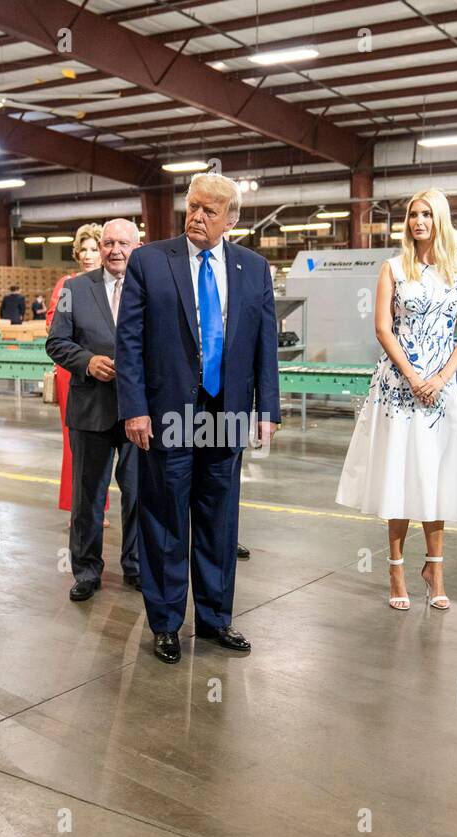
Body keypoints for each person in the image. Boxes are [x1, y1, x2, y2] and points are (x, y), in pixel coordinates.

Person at [116, 173, 280, 664]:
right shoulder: (149, 261)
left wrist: (266, 409)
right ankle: (166, 622)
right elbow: (130, 342)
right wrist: (135, 408)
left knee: (219, 519)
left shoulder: (253, 268)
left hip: (226, 412)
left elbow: (264, 345)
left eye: (210, 211)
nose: (197, 217)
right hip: (166, 412)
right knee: (165, 518)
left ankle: (214, 618)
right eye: (192, 207)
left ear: (231, 220)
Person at [335, 189, 457, 611]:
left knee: (436, 476)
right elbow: (383, 328)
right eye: (414, 215)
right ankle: (396, 569)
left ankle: (435, 568)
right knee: (400, 475)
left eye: (427, 215)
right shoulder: (394, 268)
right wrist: (415, 377)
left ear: (441, 221)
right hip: (399, 386)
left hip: (445, 388)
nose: (419, 222)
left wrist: (440, 378)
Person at [46, 218, 142, 601]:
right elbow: (56, 343)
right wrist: (86, 361)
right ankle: (85, 569)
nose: (115, 250)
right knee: (87, 494)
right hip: (91, 408)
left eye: (124, 243)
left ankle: (135, 565)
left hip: (138, 410)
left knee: (138, 493)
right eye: (108, 243)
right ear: (99, 247)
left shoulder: (149, 287)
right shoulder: (74, 289)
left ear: (137, 246)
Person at [48, 223, 106, 518]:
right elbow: (53, 327)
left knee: (107, 438)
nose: (87, 255)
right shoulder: (68, 285)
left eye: (94, 249)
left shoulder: (114, 283)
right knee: (77, 441)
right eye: (83, 249)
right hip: (73, 370)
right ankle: (79, 507)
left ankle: (99, 505)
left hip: (108, 369)